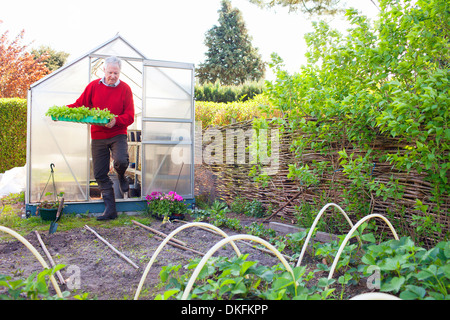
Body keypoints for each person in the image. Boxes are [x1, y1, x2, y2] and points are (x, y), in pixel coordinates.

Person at [67, 56, 134, 220]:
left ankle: (120, 175)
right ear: (103, 70)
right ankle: (111, 210)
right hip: (98, 135)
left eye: (116, 73)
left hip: (118, 133)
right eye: (110, 72)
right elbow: (79, 105)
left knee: (121, 160)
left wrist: (116, 121)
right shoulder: (93, 87)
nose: (113, 76)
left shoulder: (125, 89)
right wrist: (62, 112)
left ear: (120, 72)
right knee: (99, 173)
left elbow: (130, 116)